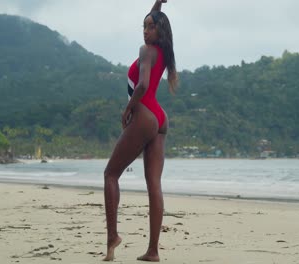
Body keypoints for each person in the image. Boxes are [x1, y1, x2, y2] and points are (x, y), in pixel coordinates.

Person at [103, 0, 177, 262]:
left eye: (150, 26)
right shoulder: (163, 52)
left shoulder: (146, 51)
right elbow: (158, 19)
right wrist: (157, 4)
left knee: (110, 174)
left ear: (160, 30)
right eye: (143, 26)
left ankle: (112, 237)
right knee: (154, 185)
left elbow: (143, 84)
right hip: (159, 117)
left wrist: (128, 108)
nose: (145, 31)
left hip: (145, 113)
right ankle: (153, 251)